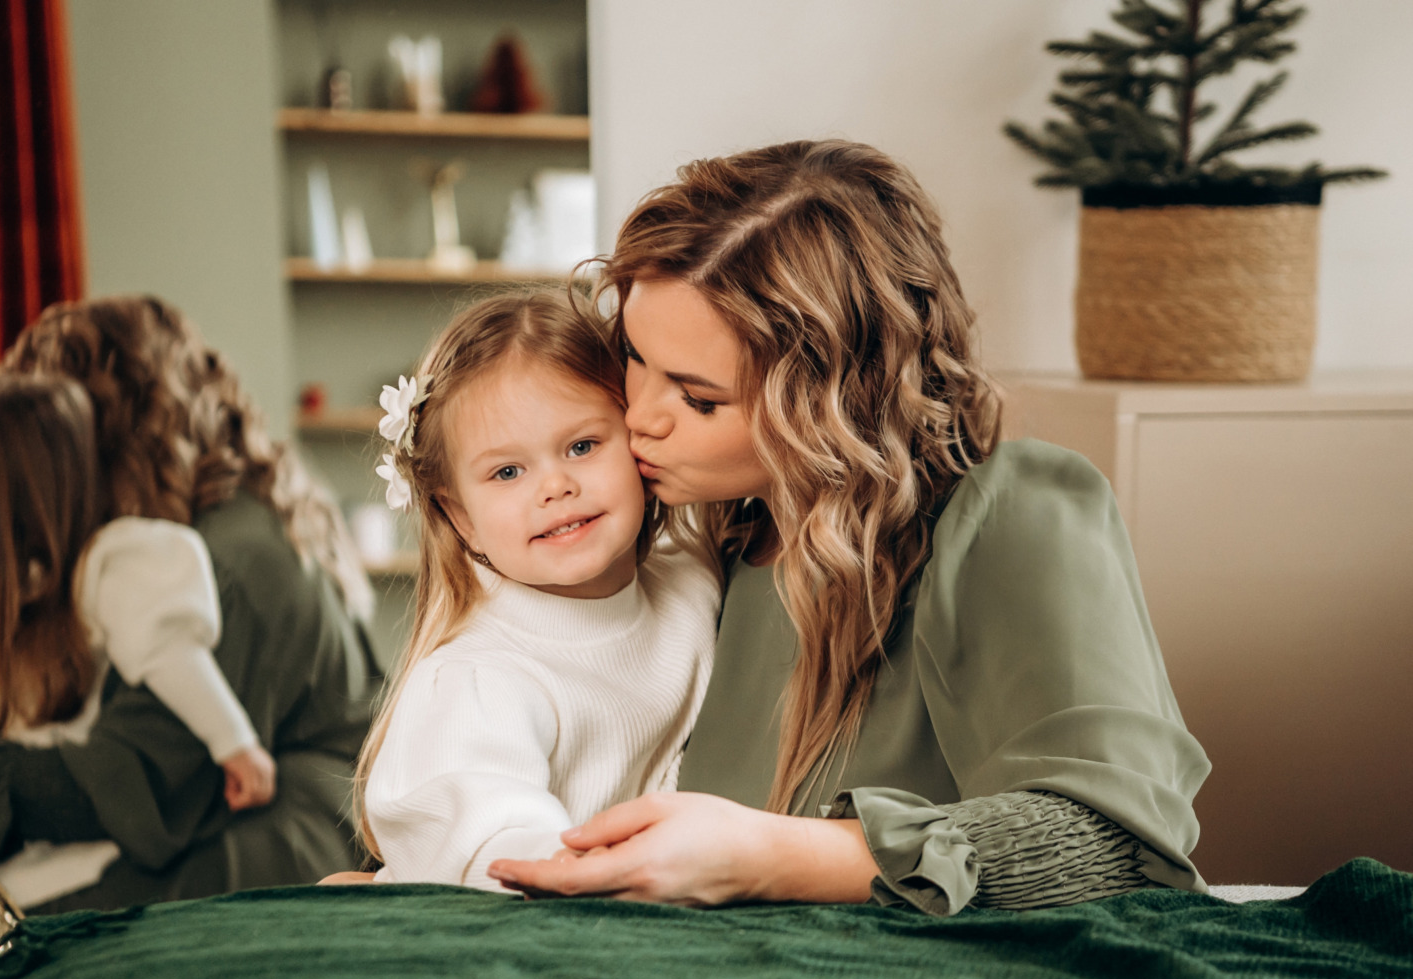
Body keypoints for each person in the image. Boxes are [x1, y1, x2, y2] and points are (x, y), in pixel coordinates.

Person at [487, 140, 1211, 916]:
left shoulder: (1009, 514)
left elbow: (1112, 841)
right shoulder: (705, 534)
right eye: (633, 356)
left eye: (699, 400)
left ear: (837, 399)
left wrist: (762, 857)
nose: (639, 417)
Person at [0, 296, 381, 911]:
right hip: (268, 816)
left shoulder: (226, 562)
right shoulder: (233, 513)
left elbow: (130, 779)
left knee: (27, 933)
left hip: (292, 840)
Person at [356, 291, 721, 890]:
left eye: (582, 446)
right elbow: (494, 845)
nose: (555, 486)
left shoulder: (693, 582)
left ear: (638, 446)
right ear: (461, 517)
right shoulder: (479, 678)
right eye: (507, 472)